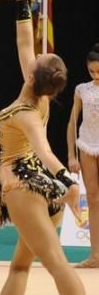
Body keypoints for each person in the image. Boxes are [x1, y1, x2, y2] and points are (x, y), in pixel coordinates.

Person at [0, 0, 98, 295]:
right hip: (41, 190)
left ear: (35, 76)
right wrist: (22, 4)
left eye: (39, 59)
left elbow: (46, 151)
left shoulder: (27, 113)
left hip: (23, 188)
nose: (35, 55)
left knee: (56, 263)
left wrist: (69, 182)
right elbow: (23, 42)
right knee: (21, 264)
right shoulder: (36, 96)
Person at [65, 43, 99, 267]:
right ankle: (95, 255)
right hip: (86, 145)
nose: (96, 75)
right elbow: (72, 122)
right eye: (92, 71)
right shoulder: (82, 89)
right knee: (94, 199)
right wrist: (71, 155)